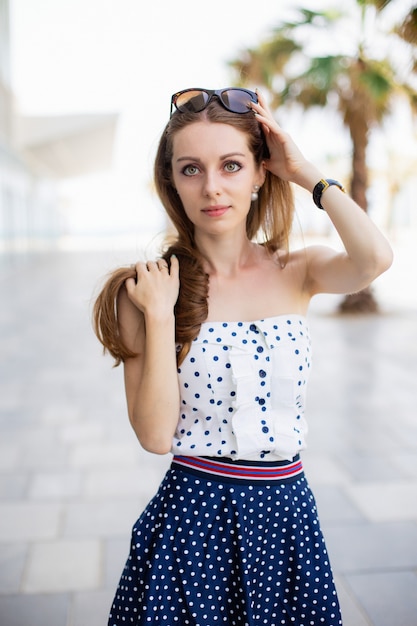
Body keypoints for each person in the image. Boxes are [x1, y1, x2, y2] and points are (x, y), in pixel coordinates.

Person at [93, 87, 393, 626]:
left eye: (231, 165)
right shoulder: (148, 291)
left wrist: (306, 173)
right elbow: (156, 437)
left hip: (287, 516)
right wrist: (161, 318)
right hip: (194, 523)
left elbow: (375, 259)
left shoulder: (298, 270)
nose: (212, 187)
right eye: (190, 169)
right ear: (172, 182)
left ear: (260, 173)